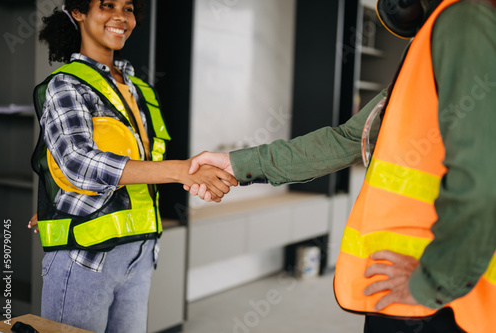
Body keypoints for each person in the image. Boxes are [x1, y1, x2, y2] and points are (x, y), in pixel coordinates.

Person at [186, 0, 496, 332]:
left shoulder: (465, 20)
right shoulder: (438, 34)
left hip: (435, 302)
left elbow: (481, 181)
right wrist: (237, 163)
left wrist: (432, 282)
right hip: (414, 293)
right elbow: (348, 139)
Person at [28, 1, 237, 332]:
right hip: (86, 257)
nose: (120, 17)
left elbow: (138, 163)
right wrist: (180, 170)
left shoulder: (139, 89)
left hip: (140, 251)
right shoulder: (66, 84)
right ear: (78, 12)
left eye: (128, 8)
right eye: (106, 5)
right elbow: (76, 162)